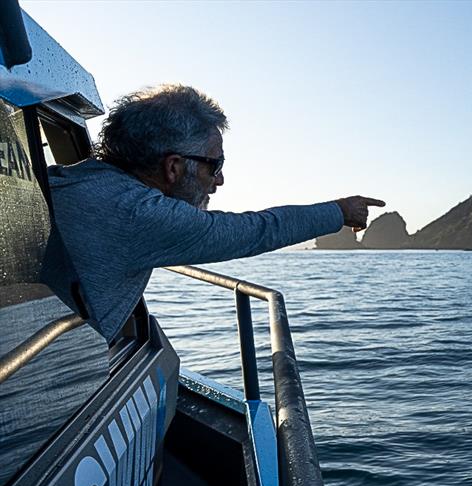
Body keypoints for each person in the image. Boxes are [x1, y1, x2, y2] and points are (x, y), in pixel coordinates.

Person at [43, 84, 383, 342]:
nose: (219, 180)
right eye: (214, 165)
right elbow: (257, 231)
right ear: (173, 167)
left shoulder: (69, 179)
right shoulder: (138, 214)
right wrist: (340, 211)